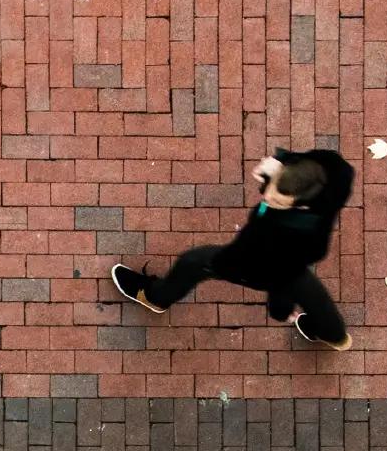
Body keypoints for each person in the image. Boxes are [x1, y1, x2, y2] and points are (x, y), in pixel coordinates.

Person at [108, 146, 357, 351]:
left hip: (255, 264)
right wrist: (283, 161)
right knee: (309, 291)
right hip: (289, 261)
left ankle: (155, 297)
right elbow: (332, 163)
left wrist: (279, 308)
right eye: (272, 189)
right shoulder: (334, 184)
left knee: (194, 262)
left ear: (300, 206)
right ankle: (334, 335)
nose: (268, 197)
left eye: (278, 200)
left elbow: (279, 275)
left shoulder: (282, 230)